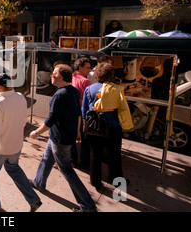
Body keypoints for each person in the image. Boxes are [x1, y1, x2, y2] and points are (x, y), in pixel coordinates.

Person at [29, 64, 97, 212]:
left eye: (53, 74)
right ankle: (39, 182)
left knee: (66, 170)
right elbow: (77, 113)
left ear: (60, 77)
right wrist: (78, 131)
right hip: (62, 136)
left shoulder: (59, 95)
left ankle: (88, 206)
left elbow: (50, 120)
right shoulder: (73, 91)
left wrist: (36, 132)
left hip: (60, 139)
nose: (51, 76)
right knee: (47, 158)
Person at [0, 73, 42, 212]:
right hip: (16, 146)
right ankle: (33, 199)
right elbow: (23, 121)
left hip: (0, 149)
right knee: (14, 169)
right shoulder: (21, 97)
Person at [81, 62, 133, 191]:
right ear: (111, 74)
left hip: (94, 127)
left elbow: (84, 110)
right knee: (115, 155)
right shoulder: (117, 89)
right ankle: (116, 180)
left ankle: (95, 181)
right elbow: (122, 110)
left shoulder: (90, 89)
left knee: (95, 155)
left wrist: (84, 125)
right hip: (113, 128)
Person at [71, 57, 92, 168]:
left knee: (72, 136)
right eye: (87, 68)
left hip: (71, 110)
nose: (89, 70)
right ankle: (84, 162)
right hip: (81, 112)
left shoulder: (71, 77)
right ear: (80, 67)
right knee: (84, 139)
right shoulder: (85, 81)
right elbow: (88, 100)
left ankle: (72, 159)